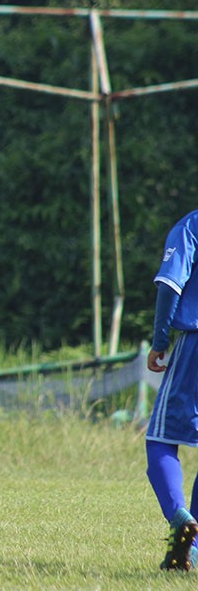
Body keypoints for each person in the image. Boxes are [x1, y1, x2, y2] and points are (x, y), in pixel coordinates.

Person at [145, 208, 198, 571]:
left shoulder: (192, 224)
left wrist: (160, 340)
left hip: (194, 345)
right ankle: (192, 551)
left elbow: (171, 283)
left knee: (160, 439)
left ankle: (180, 517)